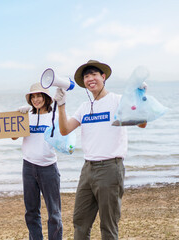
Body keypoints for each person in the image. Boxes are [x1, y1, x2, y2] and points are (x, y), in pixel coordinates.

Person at [54, 60, 147, 240]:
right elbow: (65, 129)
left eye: (94, 74)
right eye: (86, 76)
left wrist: (140, 96)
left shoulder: (118, 101)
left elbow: (142, 123)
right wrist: (61, 105)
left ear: (103, 77)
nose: (90, 79)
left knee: (108, 224)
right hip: (88, 169)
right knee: (80, 221)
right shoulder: (83, 107)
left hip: (111, 168)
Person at [14, 82, 63, 240]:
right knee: (31, 212)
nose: (36, 99)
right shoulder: (26, 116)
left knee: (54, 212)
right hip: (28, 167)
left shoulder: (54, 114)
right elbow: (13, 135)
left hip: (48, 168)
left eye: (39, 96)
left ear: (46, 98)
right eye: (33, 97)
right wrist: (18, 116)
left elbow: (64, 131)